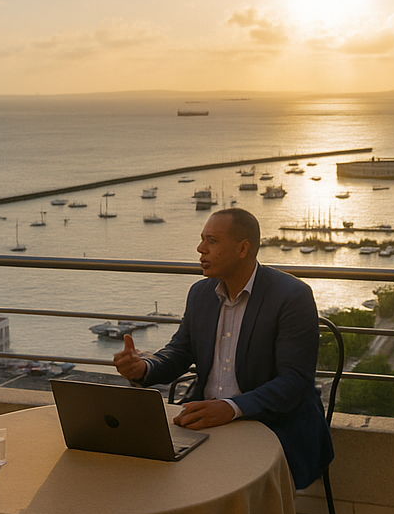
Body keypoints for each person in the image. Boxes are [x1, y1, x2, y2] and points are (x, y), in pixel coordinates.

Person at [113, 207, 333, 489]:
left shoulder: (292, 297)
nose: (200, 248)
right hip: (206, 422)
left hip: (272, 425)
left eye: (212, 241)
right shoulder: (200, 293)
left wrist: (231, 408)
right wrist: (145, 366)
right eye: (202, 239)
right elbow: (180, 350)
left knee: (225, 485)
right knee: (142, 472)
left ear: (243, 248)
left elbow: (295, 383)